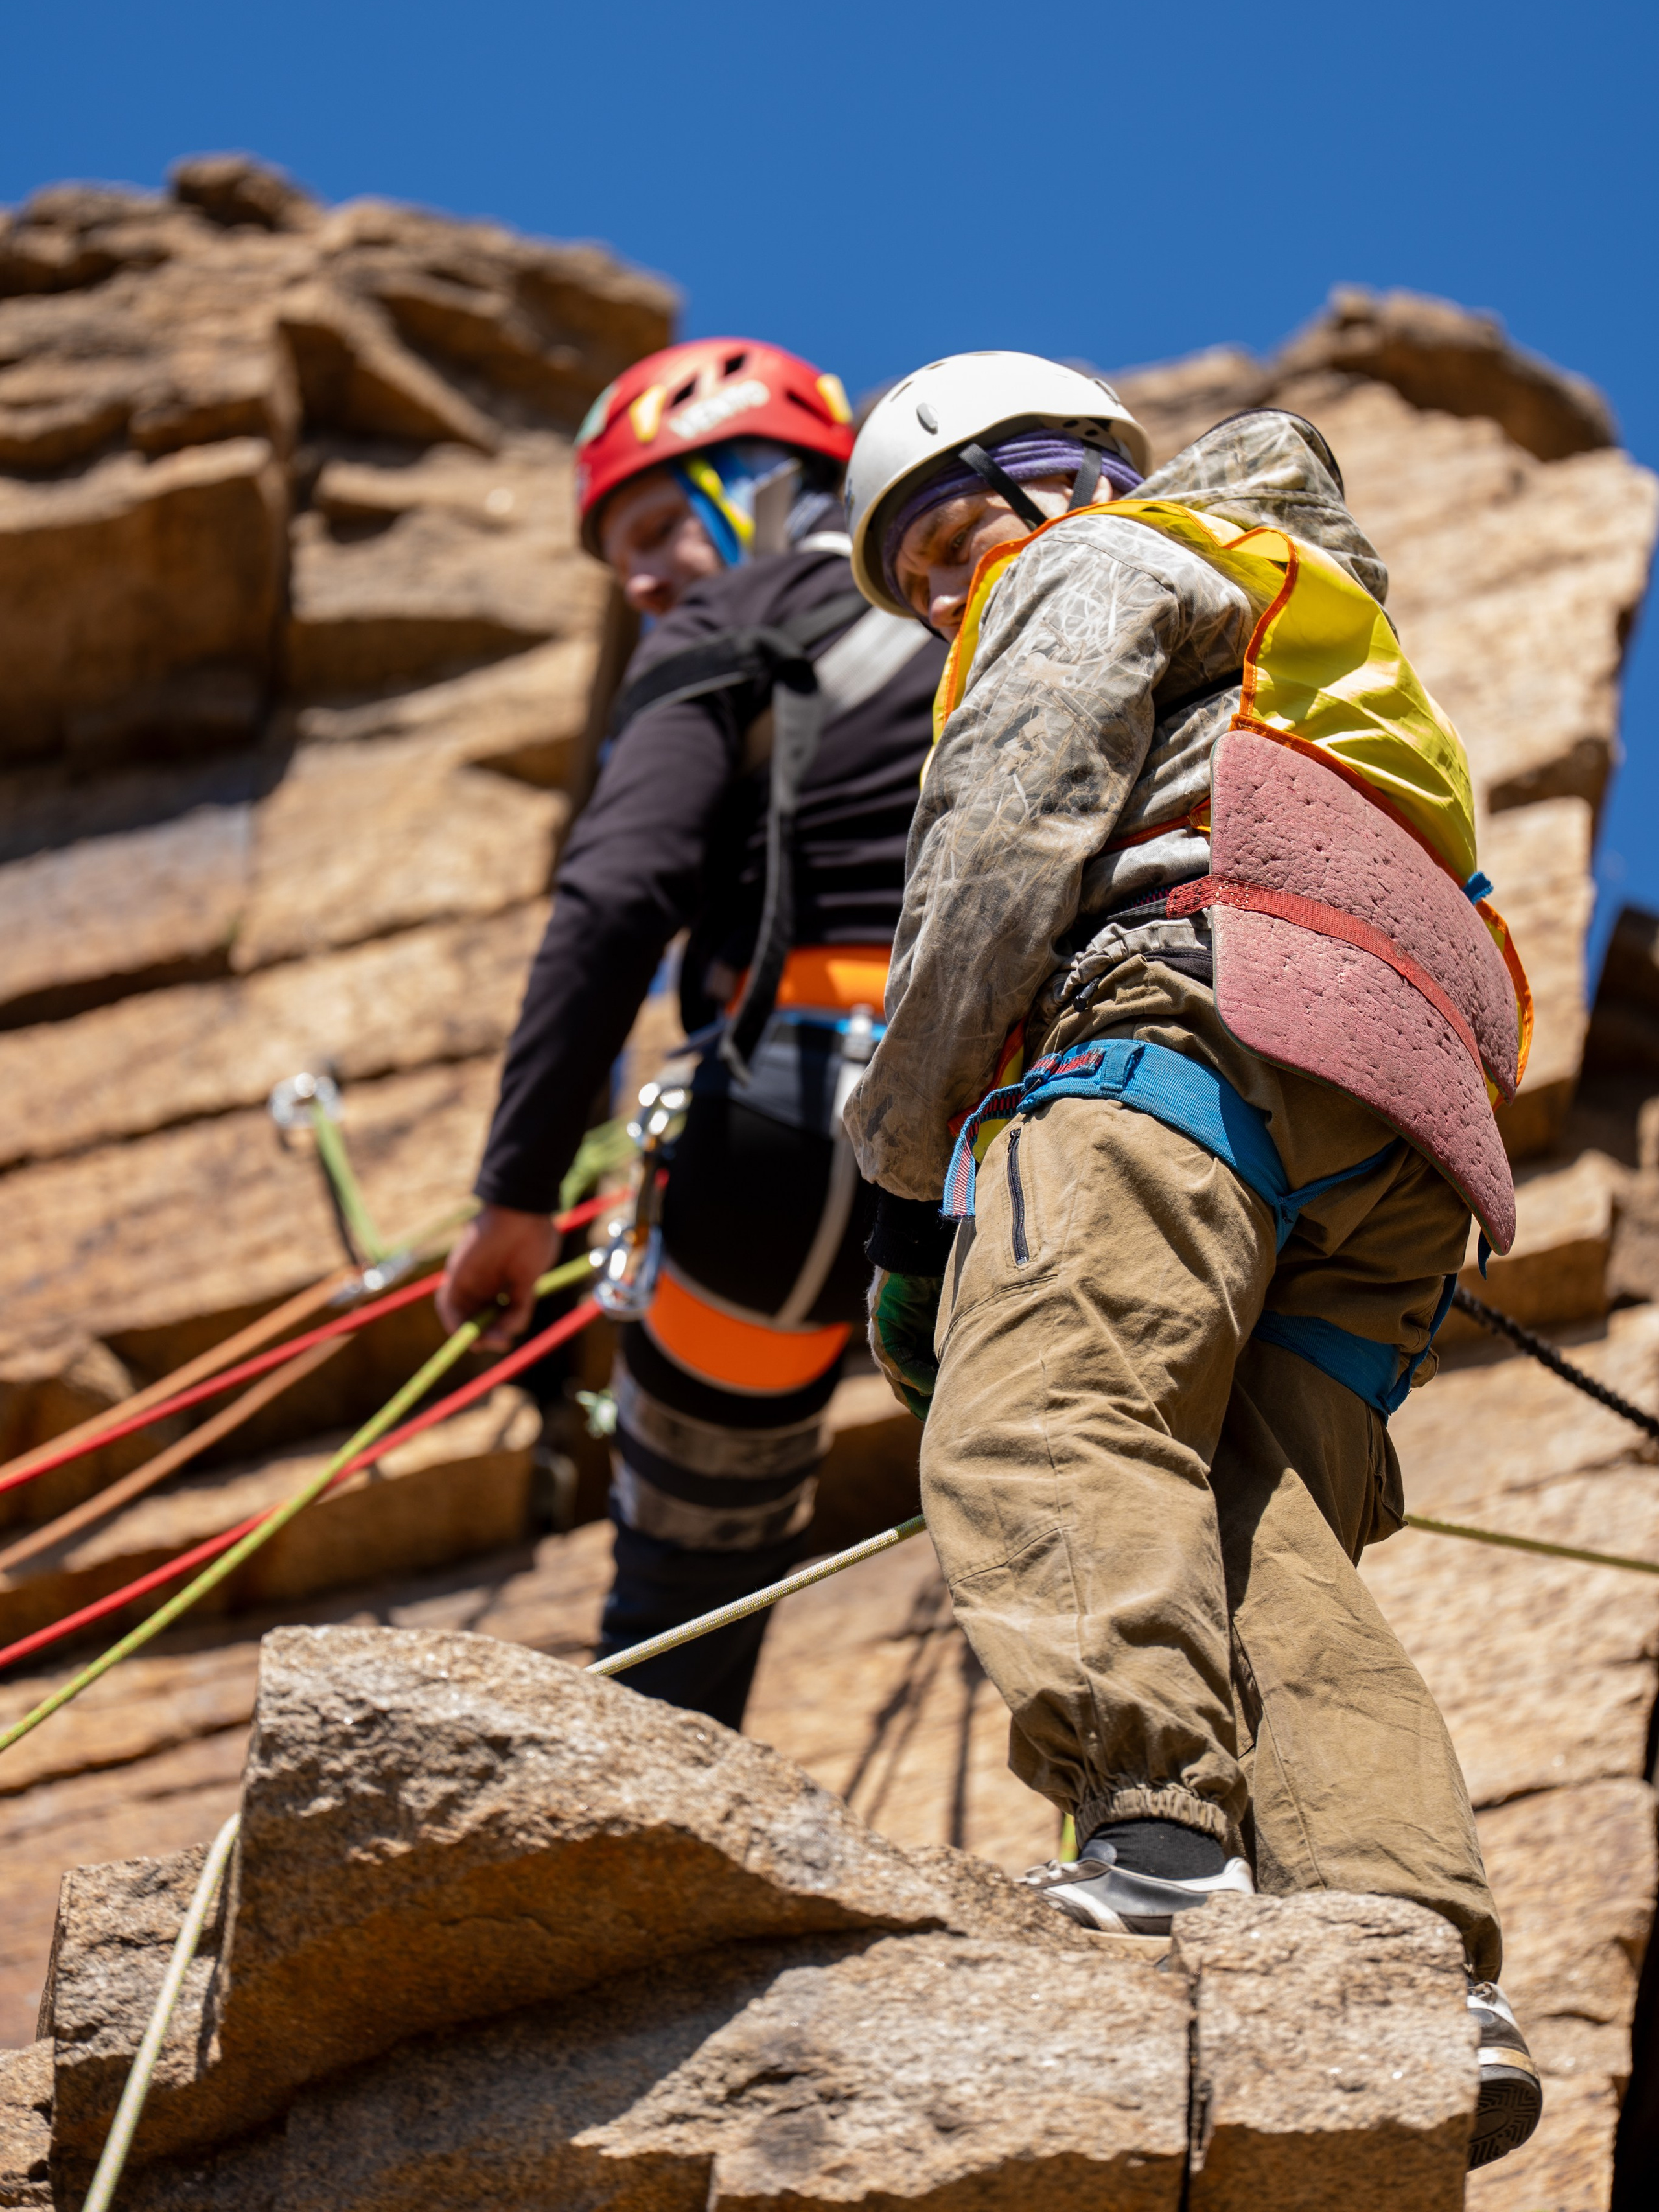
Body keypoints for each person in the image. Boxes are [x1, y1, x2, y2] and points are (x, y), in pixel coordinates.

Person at [839, 350, 1541, 2171]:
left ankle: (1156, 1837)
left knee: (1042, 1413)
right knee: (1268, 1525)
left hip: (1189, 1022)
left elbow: (1008, 827)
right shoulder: (1314, 626)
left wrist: (908, 1161)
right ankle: (1408, 1953)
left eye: (938, 543)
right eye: (911, 581)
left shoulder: (1095, 561)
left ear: (1047, 475)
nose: (938, 596)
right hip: (1408, 1122)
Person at [437, 336, 940, 1729]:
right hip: (1038, 1113)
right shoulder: (1001, 609)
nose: (645, 581)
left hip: (798, 1129)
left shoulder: (732, 626)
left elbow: (614, 899)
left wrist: (518, 1198)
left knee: (687, 1574)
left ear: (772, 484)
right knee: (1077, 1478)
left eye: (660, 527)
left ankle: (636, 1855)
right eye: (624, 565)